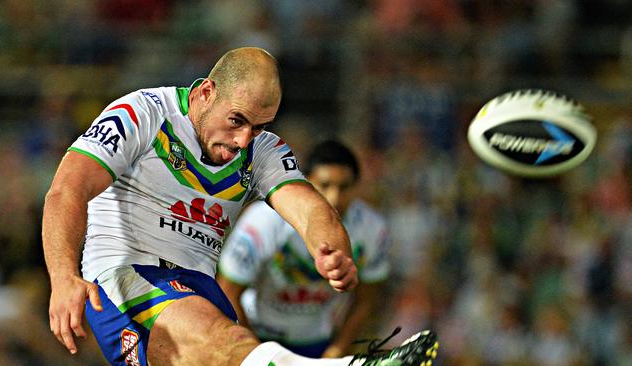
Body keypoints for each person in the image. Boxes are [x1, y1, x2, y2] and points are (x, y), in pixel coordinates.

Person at [42, 47, 438, 365]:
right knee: (229, 344)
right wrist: (62, 278)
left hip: (199, 289)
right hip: (124, 277)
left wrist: (330, 247)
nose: (245, 139)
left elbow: (308, 206)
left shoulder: (262, 150)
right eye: (237, 120)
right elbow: (66, 191)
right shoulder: (142, 114)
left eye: (260, 126)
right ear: (206, 92)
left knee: (234, 350)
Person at [218, 140, 390, 358]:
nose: (334, 197)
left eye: (344, 187)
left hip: (317, 344)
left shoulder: (372, 229)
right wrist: (258, 356)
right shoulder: (264, 220)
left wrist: (335, 353)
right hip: (257, 336)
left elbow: (366, 300)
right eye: (325, 185)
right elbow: (228, 291)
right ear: (306, 182)